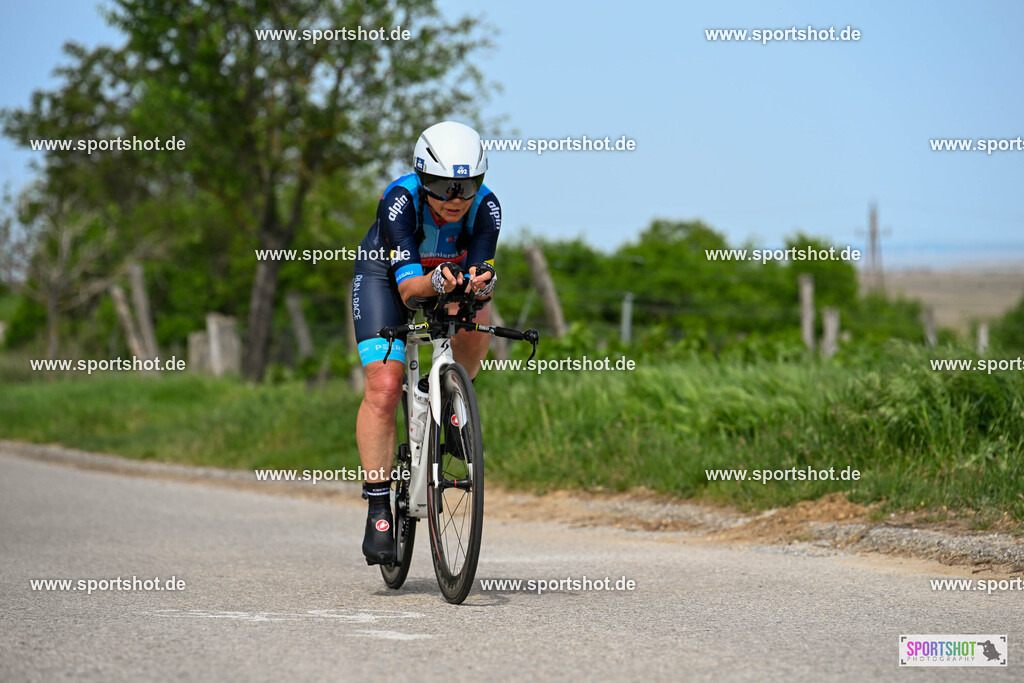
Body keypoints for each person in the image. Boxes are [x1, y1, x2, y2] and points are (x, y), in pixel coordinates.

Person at [351, 121, 500, 565]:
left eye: (466, 187)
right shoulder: (399, 201)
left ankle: (450, 399)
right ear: (421, 178)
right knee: (384, 386)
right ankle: (379, 505)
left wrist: (480, 285)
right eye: (441, 186)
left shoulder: (487, 207)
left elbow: (480, 274)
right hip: (387, 278)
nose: (455, 199)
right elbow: (408, 291)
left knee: (476, 316)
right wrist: (435, 282)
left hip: (446, 275)